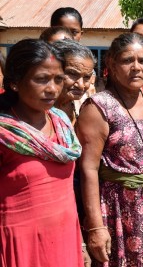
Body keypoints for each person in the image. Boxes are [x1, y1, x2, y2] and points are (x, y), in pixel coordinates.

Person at [76, 33, 143, 266]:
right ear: (111, 63)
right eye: (127, 60)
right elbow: (88, 169)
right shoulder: (99, 106)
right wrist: (96, 227)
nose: (136, 67)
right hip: (117, 210)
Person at [0, 39, 84, 266]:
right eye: (41, 79)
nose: (52, 89)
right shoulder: (4, 133)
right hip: (18, 243)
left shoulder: (63, 123)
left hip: (64, 236)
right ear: (16, 82)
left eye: (58, 79)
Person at [52, 39, 96, 124]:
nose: (81, 85)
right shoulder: (37, 111)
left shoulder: (84, 104)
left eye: (87, 77)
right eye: (72, 73)